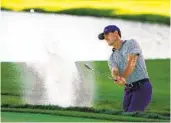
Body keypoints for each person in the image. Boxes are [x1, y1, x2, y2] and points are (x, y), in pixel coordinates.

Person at [98, 25, 152, 112]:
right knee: (126, 114)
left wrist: (123, 77)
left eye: (107, 34)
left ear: (116, 33)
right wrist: (117, 78)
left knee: (132, 115)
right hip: (128, 90)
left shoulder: (130, 43)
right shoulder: (112, 57)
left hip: (142, 86)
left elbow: (132, 62)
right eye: (104, 37)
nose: (105, 38)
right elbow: (114, 71)